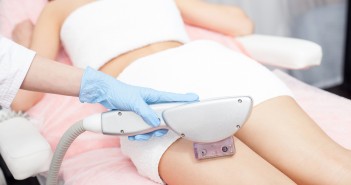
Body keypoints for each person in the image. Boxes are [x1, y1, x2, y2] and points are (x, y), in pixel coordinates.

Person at [11, 0, 351, 184]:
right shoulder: (57, 7)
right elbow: (240, 25)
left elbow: (240, 25)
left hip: (179, 78)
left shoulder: (57, 8)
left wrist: (24, 35)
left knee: (332, 169)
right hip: (172, 83)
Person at [0, 35, 198, 139]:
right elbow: (21, 94)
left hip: (202, 60)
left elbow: (229, 18)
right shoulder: (58, 7)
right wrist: (24, 39)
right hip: (139, 79)